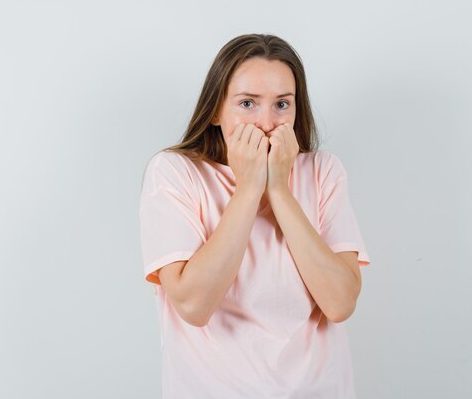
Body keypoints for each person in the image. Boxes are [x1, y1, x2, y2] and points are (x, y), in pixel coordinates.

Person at [139, 33, 371, 399]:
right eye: (247, 103)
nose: (266, 122)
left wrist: (278, 189)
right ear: (216, 110)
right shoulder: (174, 172)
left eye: (282, 104)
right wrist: (248, 188)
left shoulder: (323, 171)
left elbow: (340, 303)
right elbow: (194, 305)